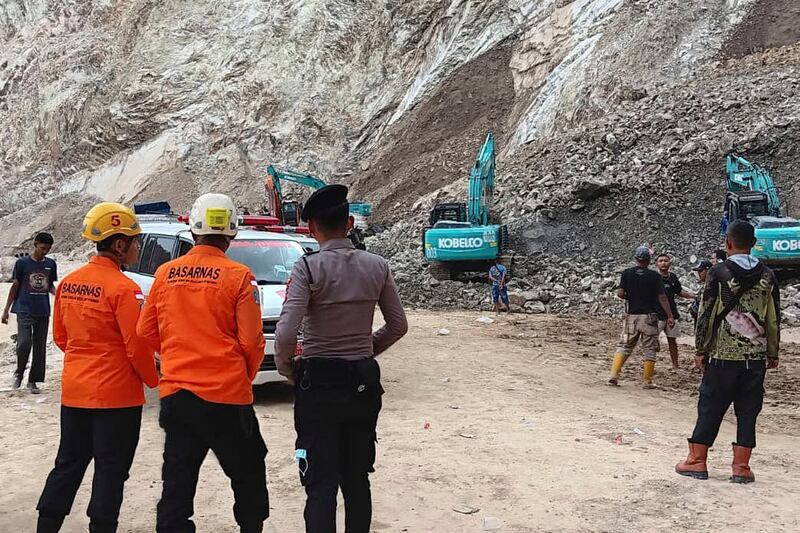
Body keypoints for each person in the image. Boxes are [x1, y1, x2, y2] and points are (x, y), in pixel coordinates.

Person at [275, 184, 408, 533]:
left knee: (320, 484)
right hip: (362, 383)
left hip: (318, 384)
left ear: (310, 228)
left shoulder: (307, 269)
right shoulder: (377, 266)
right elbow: (397, 325)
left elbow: (287, 332)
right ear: (349, 223)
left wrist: (289, 369)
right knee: (356, 479)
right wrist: (366, 350)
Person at [137, 193, 268, 533]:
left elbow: (145, 330)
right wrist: (242, 376)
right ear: (231, 233)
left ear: (193, 231)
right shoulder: (239, 276)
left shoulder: (165, 274)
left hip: (179, 394)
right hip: (228, 397)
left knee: (177, 483)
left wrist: (175, 357)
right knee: (248, 471)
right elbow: (252, 341)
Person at [36, 204, 158, 533]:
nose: (137, 246)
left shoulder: (70, 284)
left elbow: (61, 337)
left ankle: (46, 525)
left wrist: (87, 361)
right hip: (116, 400)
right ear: (118, 245)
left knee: (68, 465)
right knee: (110, 470)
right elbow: (137, 345)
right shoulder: (124, 289)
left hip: (75, 393)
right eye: (134, 240)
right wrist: (153, 379)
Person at [676, 220, 780, 484]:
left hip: (723, 356)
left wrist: (701, 348)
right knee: (748, 410)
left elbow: (706, 313)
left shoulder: (719, 273)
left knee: (710, 405)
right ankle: (741, 467)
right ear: (754, 244)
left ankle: (697, 461)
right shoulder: (768, 275)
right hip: (754, 358)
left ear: (728, 243)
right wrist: (772, 352)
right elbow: (773, 319)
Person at [608, 246, 675, 388]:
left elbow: (620, 294)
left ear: (636, 259)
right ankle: (646, 381)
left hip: (631, 316)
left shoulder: (627, 273)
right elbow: (662, 297)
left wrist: (629, 296)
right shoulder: (655, 276)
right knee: (649, 349)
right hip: (649, 317)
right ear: (649, 260)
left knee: (625, 346)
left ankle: (614, 374)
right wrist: (670, 315)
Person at [2, 232, 57, 394]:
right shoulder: (22, 264)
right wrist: (6, 310)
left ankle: (33, 381)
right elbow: (15, 286)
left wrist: (61, 296)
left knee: (39, 346)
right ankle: (19, 373)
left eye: (47, 249)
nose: (44, 252)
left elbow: (50, 285)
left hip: (43, 310)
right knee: (24, 343)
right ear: (35, 244)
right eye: (42, 248)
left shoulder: (51, 264)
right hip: (24, 308)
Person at [654, 254, 696, 370]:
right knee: (652, 339)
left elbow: (679, 292)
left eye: (666, 261)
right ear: (656, 264)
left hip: (672, 313)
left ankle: (675, 365)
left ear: (670, 263)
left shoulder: (673, 277)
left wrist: (693, 296)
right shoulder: (653, 278)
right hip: (656, 314)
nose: (663, 263)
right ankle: (650, 365)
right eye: (661, 261)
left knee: (672, 340)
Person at [689, 260, 713, 324]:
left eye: (701, 271)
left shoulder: (711, 287)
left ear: (708, 271)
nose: (699, 273)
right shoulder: (705, 285)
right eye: (698, 271)